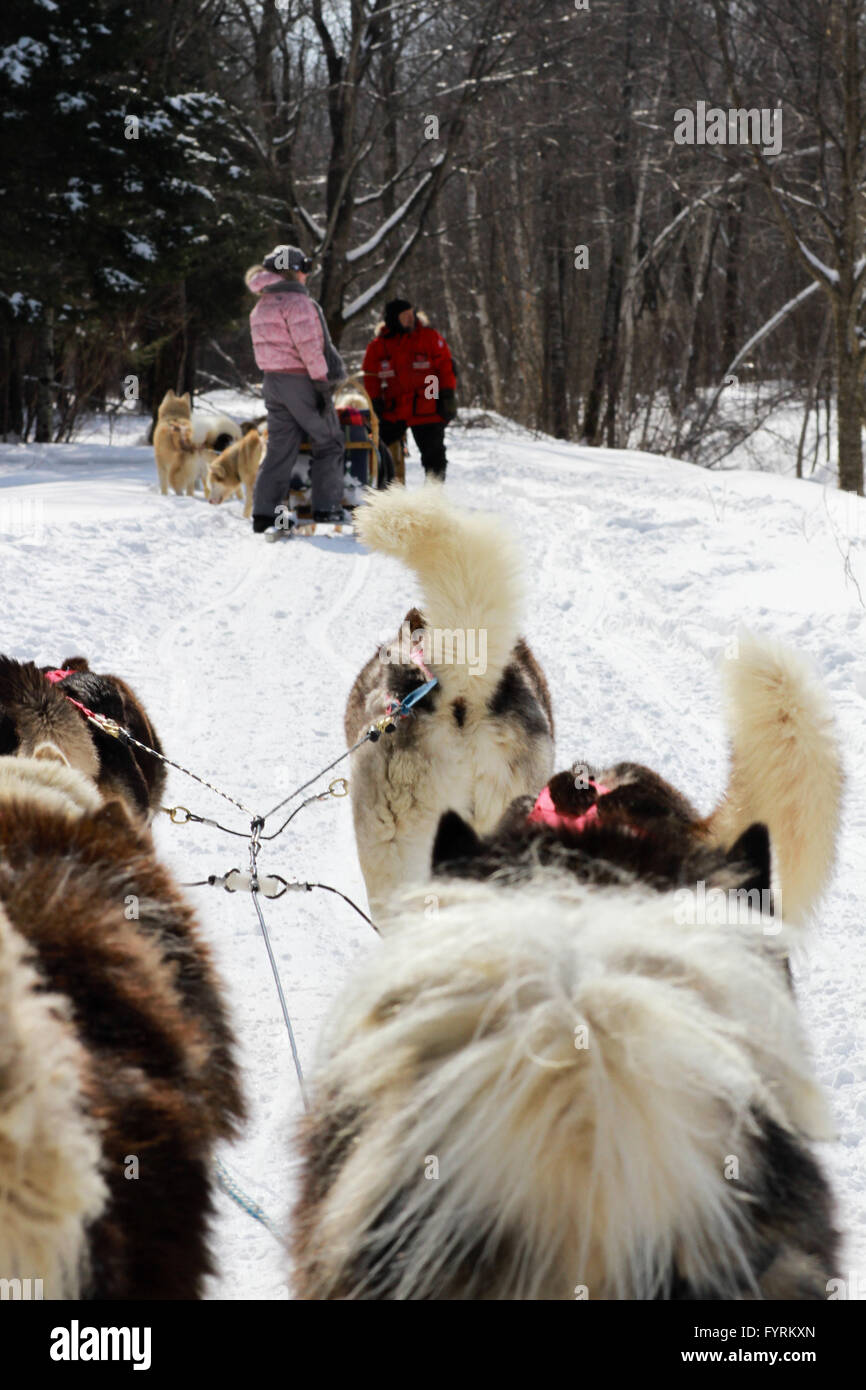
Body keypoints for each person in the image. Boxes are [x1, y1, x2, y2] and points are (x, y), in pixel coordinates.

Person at [246, 245, 347, 533]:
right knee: (329, 440)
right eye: (304, 268)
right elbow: (310, 349)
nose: (306, 275)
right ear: (292, 271)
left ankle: (265, 513)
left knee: (280, 448)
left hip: (272, 380)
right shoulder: (297, 303)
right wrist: (320, 384)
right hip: (300, 379)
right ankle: (327, 508)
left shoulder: (262, 304)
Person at [362, 299, 457, 481]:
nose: (410, 319)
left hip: (427, 408)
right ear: (393, 319)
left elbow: (445, 368)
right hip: (393, 411)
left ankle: (432, 498)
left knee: (434, 457)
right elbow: (370, 377)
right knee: (374, 448)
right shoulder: (378, 346)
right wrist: (375, 401)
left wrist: (447, 396)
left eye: (412, 314)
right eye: (405, 316)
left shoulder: (429, 337)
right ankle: (381, 490)